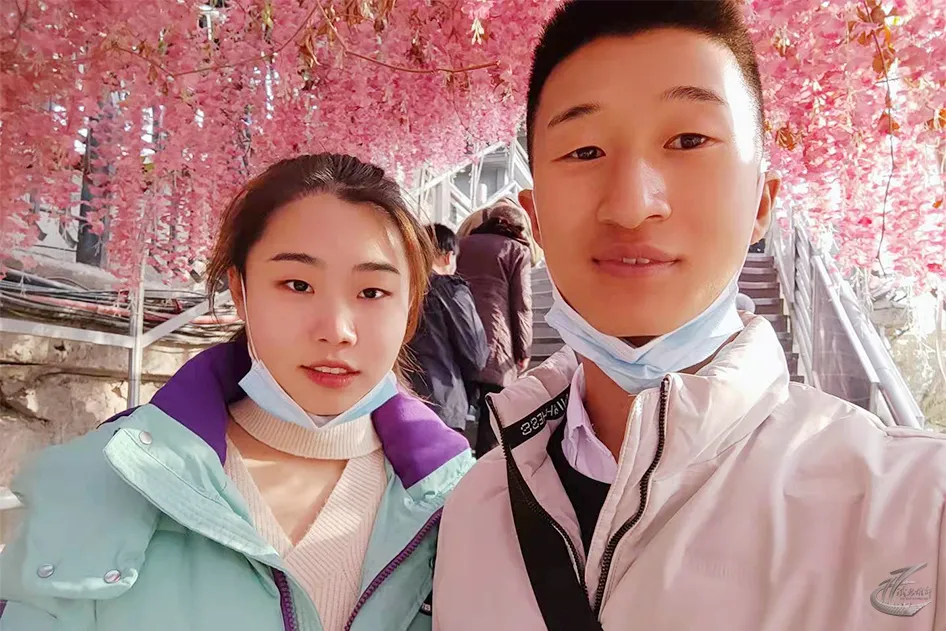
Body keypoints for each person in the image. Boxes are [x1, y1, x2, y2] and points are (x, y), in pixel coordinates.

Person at [433, 2, 946, 630]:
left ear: (762, 201)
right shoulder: (476, 513)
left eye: (689, 141)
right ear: (534, 217)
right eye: (585, 150)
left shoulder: (915, 509)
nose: (632, 205)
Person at [0, 154, 474, 631]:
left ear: (410, 305)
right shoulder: (110, 479)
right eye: (297, 284)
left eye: (371, 292)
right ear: (241, 292)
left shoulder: (464, 503)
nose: (336, 330)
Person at [456, 202, 535, 457]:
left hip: (459, 338)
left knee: (457, 411)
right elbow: (521, 304)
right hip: (497, 342)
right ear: (517, 228)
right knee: (493, 417)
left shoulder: (462, 245)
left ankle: (452, 464)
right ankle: (484, 466)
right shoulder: (516, 250)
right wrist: (523, 350)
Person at [406, 223, 489, 436]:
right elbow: (476, 354)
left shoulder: (396, 289)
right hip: (442, 402)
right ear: (448, 256)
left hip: (398, 400)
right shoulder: (450, 289)